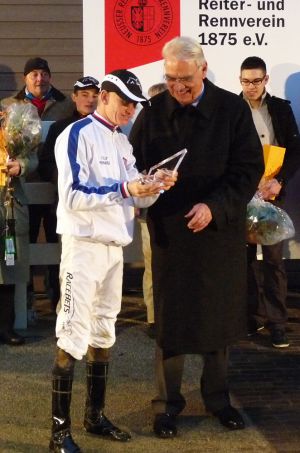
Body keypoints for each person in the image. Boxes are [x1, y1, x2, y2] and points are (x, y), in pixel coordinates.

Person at [129, 36, 264, 438]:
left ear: (203, 70)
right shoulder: (152, 112)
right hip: (171, 231)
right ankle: (167, 404)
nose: (178, 87)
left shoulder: (232, 109)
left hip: (217, 232)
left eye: (185, 79)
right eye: (170, 79)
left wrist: (215, 207)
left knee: (218, 317)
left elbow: (247, 169)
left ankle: (219, 399)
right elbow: (131, 165)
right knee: (172, 320)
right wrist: (149, 183)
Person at [49, 68, 177, 452]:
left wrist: (154, 186)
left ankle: (95, 416)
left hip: (113, 250)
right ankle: (58, 433)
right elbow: (72, 195)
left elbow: (134, 196)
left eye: (135, 105)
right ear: (104, 96)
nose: (131, 110)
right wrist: (125, 187)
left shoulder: (122, 142)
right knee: (72, 333)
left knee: (104, 331)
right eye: (125, 103)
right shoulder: (76, 134)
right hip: (83, 248)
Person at [2, 57, 74, 310]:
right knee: (25, 240)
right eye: (34, 74)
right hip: (23, 184)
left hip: (56, 184)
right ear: (25, 78)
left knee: (58, 240)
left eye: (44, 73)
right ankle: (28, 300)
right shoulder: (9, 105)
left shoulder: (66, 105)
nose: (39, 79)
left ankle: (58, 298)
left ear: (50, 77)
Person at [239, 56, 300, 348]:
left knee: (274, 260)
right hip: (243, 196)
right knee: (246, 260)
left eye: (255, 81)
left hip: (274, 195)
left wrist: (280, 181)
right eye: (244, 80)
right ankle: (252, 316)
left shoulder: (280, 109)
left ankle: (277, 323)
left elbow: (295, 151)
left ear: (265, 81)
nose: (249, 86)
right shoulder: (232, 109)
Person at [0, 110, 38, 346]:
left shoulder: (12, 124)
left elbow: (32, 158)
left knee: (9, 264)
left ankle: (6, 326)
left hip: (10, 204)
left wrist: (20, 165)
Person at [138, 82, 167, 338]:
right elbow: (132, 163)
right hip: (150, 211)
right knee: (151, 263)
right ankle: (153, 317)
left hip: (177, 210)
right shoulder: (142, 130)